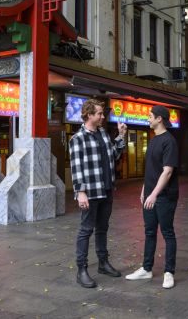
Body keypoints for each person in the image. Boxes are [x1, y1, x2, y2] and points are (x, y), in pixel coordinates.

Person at [69, 99, 127, 288]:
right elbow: (76, 168)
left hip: (107, 189)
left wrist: (121, 136)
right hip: (90, 191)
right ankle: (82, 270)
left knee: (103, 228)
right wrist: (81, 192)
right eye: (100, 113)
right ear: (89, 115)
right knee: (86, 230)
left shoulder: (102, 133)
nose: (103, 117)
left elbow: (114, 156)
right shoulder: (78, 138)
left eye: (103, 113)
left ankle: (103, 263)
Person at [125, 105, 179, 289]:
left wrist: (154, 194)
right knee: (149, 232)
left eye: (150, 116)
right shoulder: (154, 140)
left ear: (159, 119)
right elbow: (152, 170)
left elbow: (168, 171)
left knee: (167, 233)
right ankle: (146, 269)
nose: (147, 119)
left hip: (164, 196)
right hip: (150, 194)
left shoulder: (169, 141)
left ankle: (169, 272)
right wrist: (144, 189)